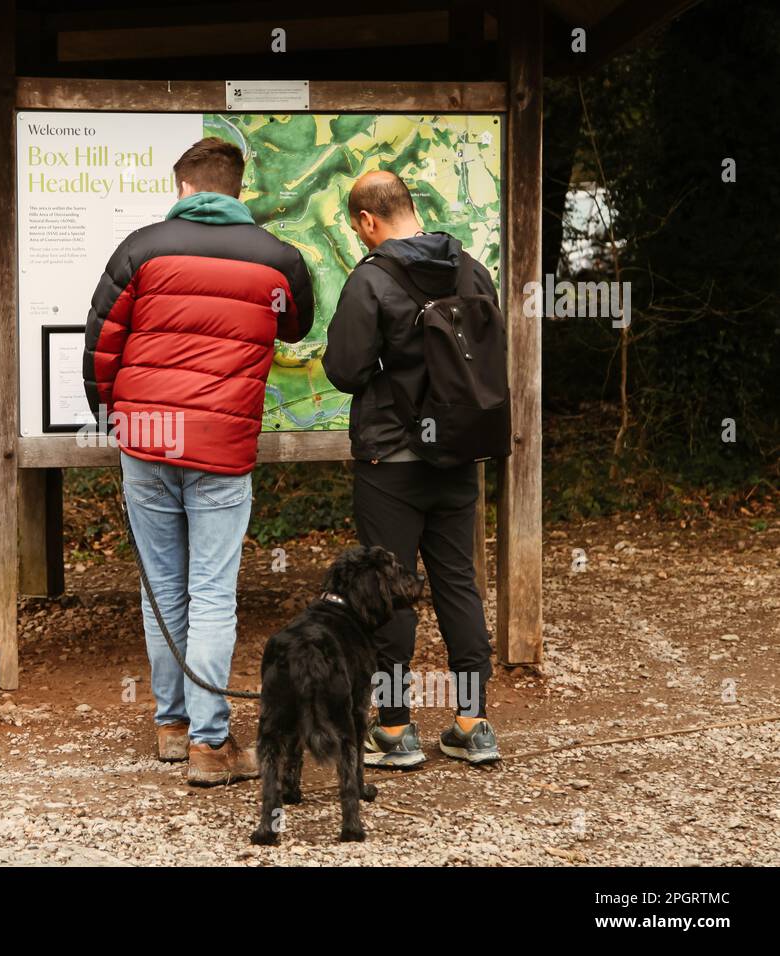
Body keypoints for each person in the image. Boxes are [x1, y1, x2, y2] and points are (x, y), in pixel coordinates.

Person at [83, 137, 314, 786]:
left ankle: (172, 726)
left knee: (162, 587)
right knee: (211, 593)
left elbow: (101, 343)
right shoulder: (278, 259)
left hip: (146, 440)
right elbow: (295, 324)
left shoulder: (142, 249)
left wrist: (109, 416)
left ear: (183, 188)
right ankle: (212, 747)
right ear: (236, 190)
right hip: (221, 447)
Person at [322, 169, 501, 767]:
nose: (358, 238)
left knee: (391, 589)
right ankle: (472, 724)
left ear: (369, 221)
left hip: (390, 460)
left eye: (356, 228)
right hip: (455, 454)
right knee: (458, 582)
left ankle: (396, 730)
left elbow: (345, 370)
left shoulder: (370, 279)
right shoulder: (472, 269)